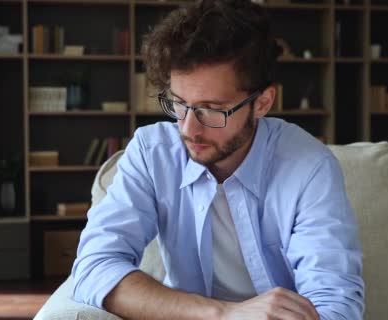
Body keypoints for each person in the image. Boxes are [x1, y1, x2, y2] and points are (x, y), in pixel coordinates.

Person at [72, 1, 364, 319]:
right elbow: (94, 266)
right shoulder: (151, 152)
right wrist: (224, 314)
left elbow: (335, 305)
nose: (188, 128)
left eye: (211, 108)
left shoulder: (310, 167)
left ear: (263, 102)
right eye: (179, 103)